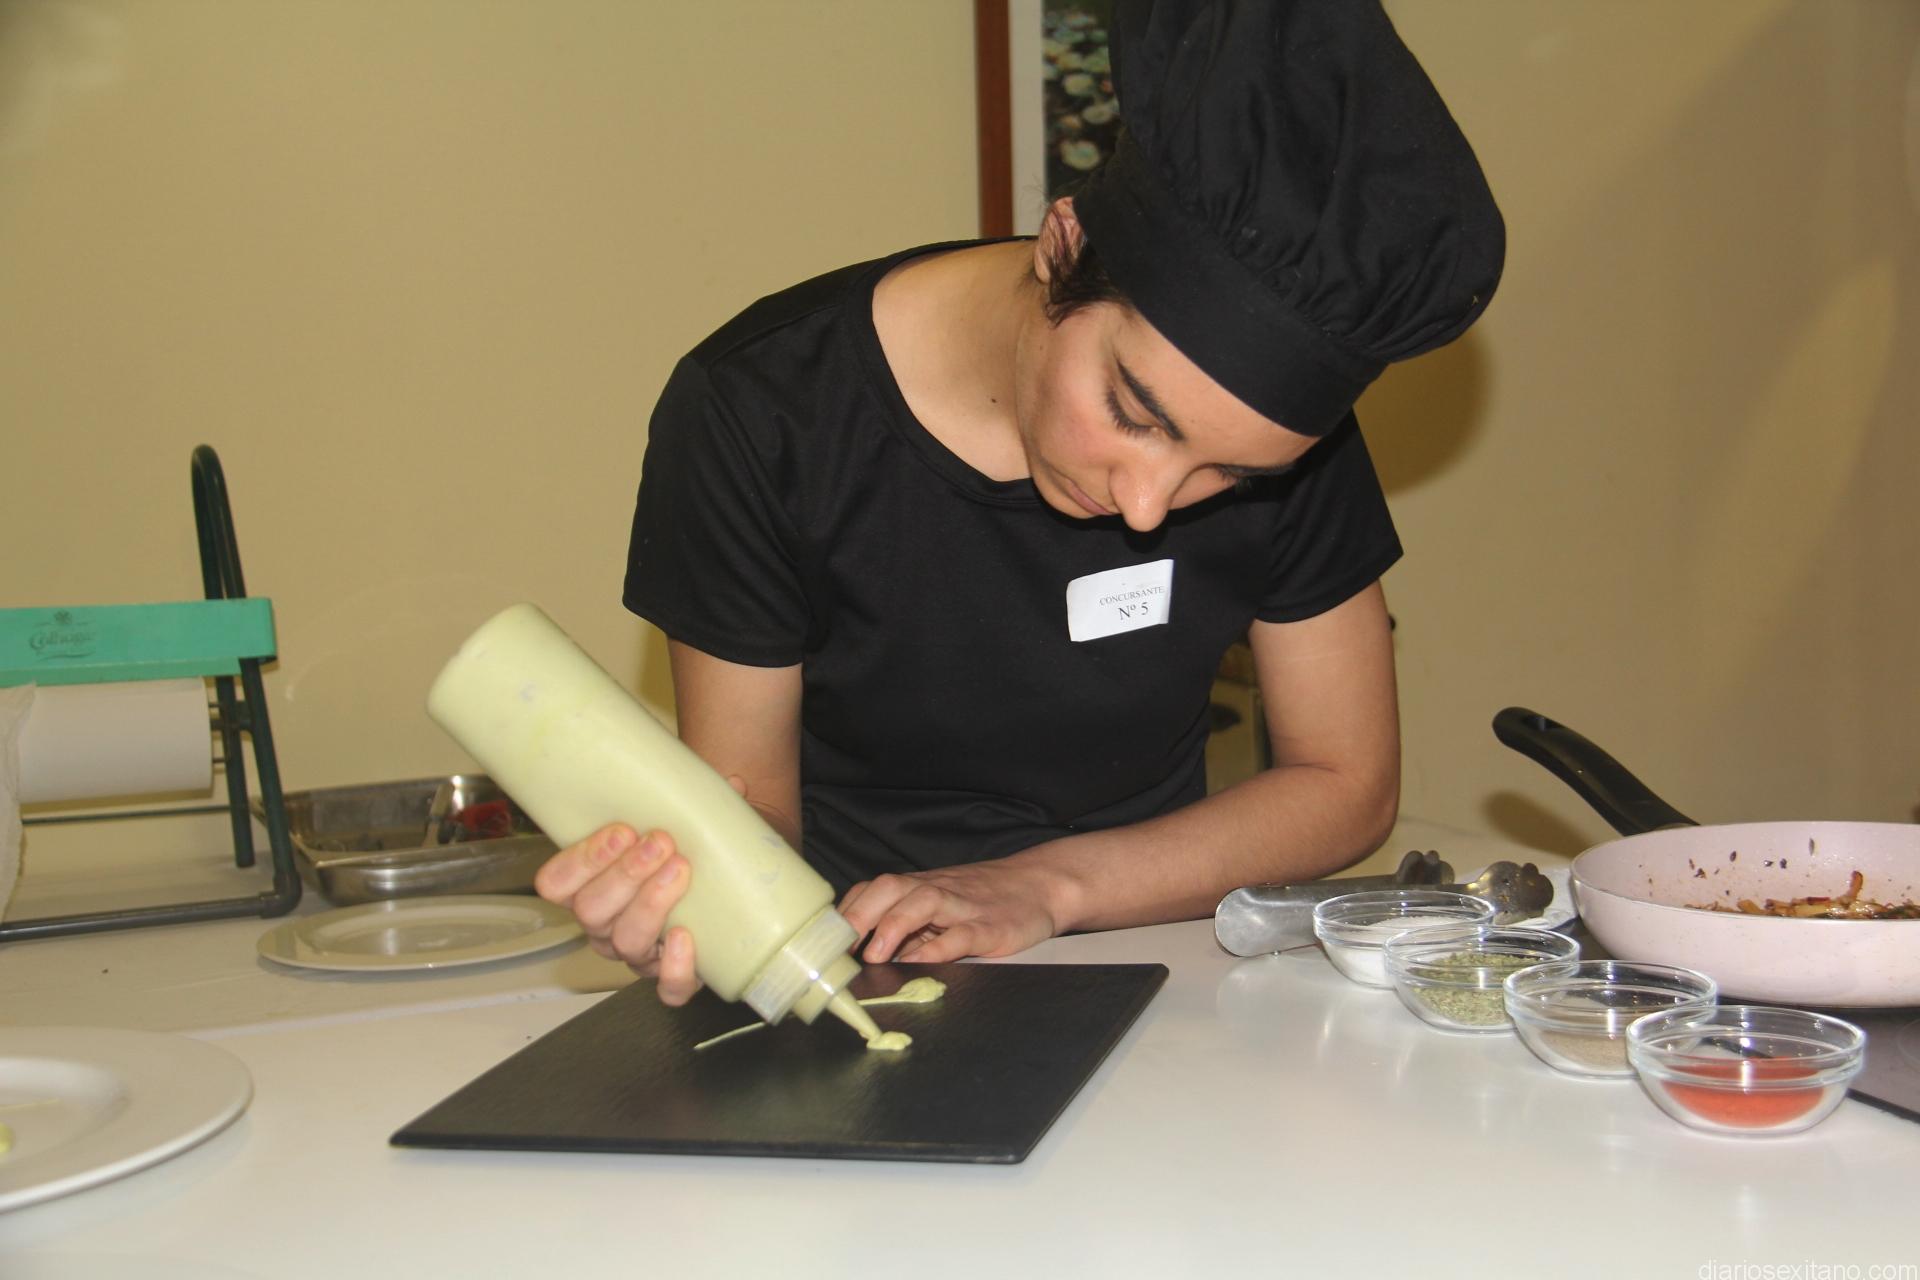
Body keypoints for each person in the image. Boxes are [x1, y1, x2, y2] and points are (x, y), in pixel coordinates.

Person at [534, 0, 1505, 1005]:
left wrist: (1049, 885)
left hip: (1165, 961)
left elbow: (1347, 782)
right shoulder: (763, 414)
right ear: (1062, 245)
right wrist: (690, 901)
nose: (1147, 506)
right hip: (855, 969)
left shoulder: (1275, 436)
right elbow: (754, 825)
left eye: (1234, 475)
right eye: (1133, 412)